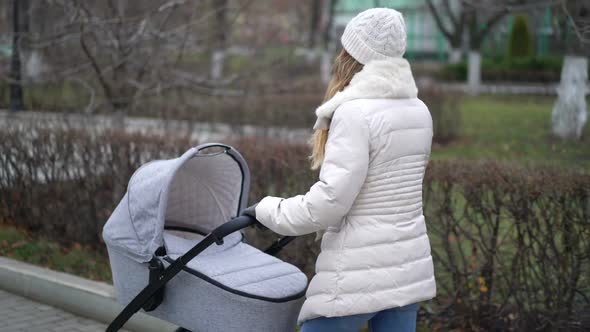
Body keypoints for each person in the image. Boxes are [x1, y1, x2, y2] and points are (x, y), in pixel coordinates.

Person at [242, 7, 436, 332]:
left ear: (352, 54)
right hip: (405, 270)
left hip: (357, 276)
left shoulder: (354, 114)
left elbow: (329, 204)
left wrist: (267, 210)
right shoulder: (419, 110)